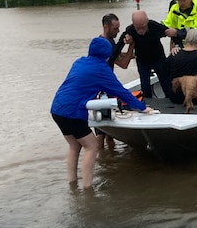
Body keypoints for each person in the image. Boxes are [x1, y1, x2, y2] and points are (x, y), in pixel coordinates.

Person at [51, 37, 152, 189]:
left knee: (74, 146)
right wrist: (143, 108)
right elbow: (120, 92)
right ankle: (87, 188)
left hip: (57, 108)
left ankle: (72, 184)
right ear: (107, 54)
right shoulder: (101, 69)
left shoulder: (79, 62)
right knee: (91, 146)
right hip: (72, 112)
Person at [112, 10, 173, 98]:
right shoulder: (130, 30)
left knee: (166, 83)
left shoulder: (154, 26)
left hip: (158, 58)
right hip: (142, 61)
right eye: (138, 28)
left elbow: (169, 32)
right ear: (133, 24)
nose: (141, 30)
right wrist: (110, 57)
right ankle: (148, 104)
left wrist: (175, 43)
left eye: (143, 27)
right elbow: (118, 46)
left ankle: (171, 101)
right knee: (145, 86)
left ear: (147, 22)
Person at [95, 13, 133, 149]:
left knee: (106, 125)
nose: (117, 31)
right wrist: (132, 45)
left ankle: (108, 160)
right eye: (115, 29)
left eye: (118, 28)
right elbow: (123, 64)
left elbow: (117, 55)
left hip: (101, 85)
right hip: (103, 88)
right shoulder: (106, 44)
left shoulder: (103, 41)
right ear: (106, 27)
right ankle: (100, 158)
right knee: (102, 128)